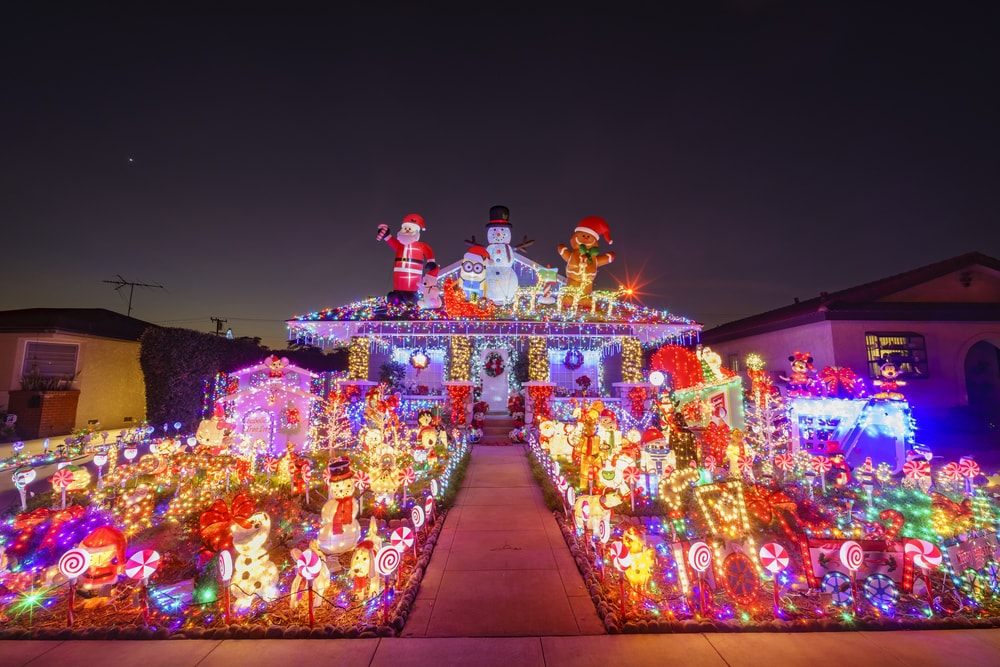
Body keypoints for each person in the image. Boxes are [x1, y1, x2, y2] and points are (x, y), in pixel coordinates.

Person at [376, 213, 438, 305]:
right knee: (395, 298)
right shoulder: (400, 245)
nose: (407, 231)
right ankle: (397, 297)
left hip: (413, 278)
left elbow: (428, 251)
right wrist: (386, 235)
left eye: (410, 229)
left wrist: (431, 262)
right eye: (405, 228)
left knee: (410, 299)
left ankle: (410, 298)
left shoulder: (422, 246)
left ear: (416, 231)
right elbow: (391, 241)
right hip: (399, 277)